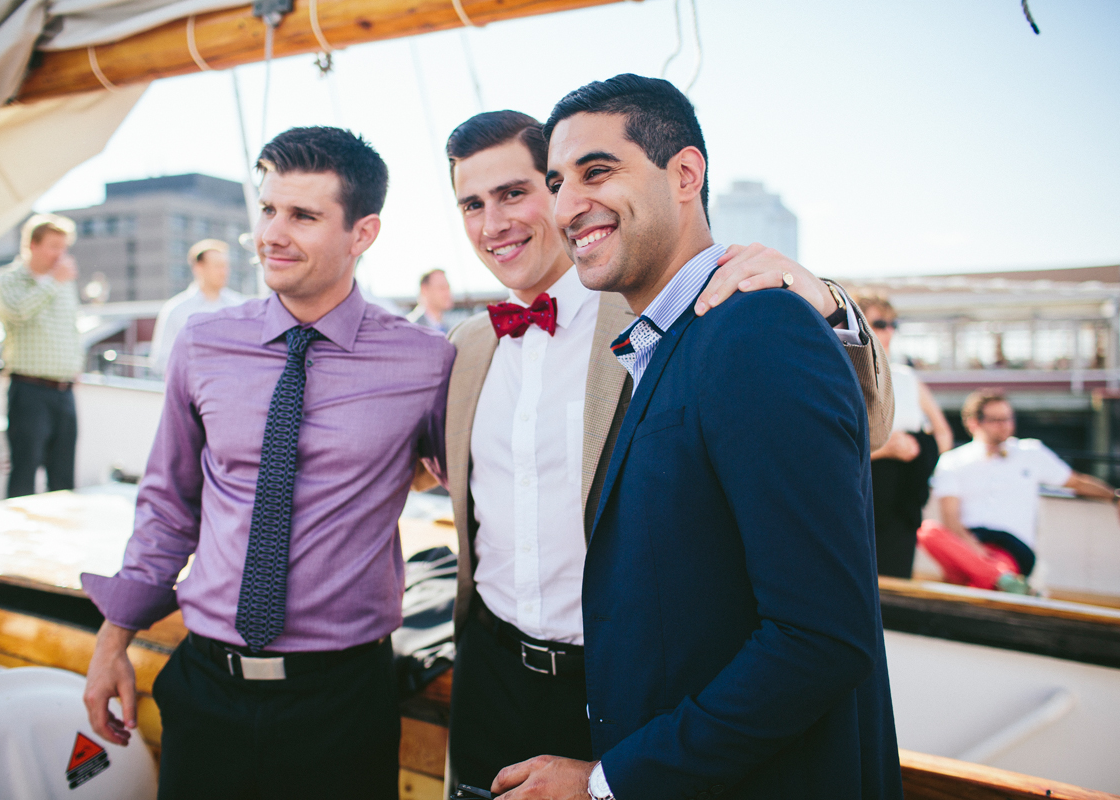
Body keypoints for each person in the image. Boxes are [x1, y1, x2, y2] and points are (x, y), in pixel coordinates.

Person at [439, 110, 896, 793]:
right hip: (489, 675)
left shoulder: (664, 308)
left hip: (615, 690)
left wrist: (826, 302)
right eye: (472, 204)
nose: (493, 223)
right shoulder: (466, 347)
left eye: (515, 193)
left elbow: (867, 423)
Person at [79, 127, 455, 799]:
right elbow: (168, 503)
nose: (271, 234)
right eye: (268, 209)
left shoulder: (426, 363)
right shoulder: (203, 342)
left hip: (343, 702)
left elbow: (485, 485)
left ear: (362, 233)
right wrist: (113, 640)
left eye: (303, 216)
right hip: (205, 688)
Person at [922, 388, 1120, 593]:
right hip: (967, 546)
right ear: (973, 423)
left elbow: (1076, 482)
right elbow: (951, 520)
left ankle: (997, 580)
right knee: (928, 531)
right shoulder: (952, 462)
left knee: (980, 580)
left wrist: (1116, 497)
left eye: (1008, 418)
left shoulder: (1031, 453)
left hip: (1011, 551)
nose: (1005, 426)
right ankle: (1002, 581)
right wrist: (975, 550)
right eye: (996, 420)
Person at [857, 293, 953, 577]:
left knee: (897, 571)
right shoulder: (847, 374)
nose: (889, 331)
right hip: (864, 493)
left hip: (904, 497)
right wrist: (886, 449)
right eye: (880, 323)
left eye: (892, 323)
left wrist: (920, 451)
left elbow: (943, 433)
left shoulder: (907, 378)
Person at [0, 213, 83, 498]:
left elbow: (70, 329)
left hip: (64, 392)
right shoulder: (8, 279)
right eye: (54, 246)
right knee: (24, 472)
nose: (60, 254)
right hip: (29, 390)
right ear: (32, 244)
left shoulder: (64, 283)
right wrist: (52, 282)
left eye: (64, 247)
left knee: (63, 476)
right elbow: (18, 313)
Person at [148, 239, 245, 373]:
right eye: (217, 266)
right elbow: (160, 361)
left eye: (225, 266)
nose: (224, 272)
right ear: (198, 268)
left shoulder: (240, 306)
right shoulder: (176, 310)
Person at [406, 267, 453, 333]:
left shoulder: (450, 327)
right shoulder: (411, 327)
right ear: (424, 290)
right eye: (442, 288)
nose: (447, 293)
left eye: (448, 287)